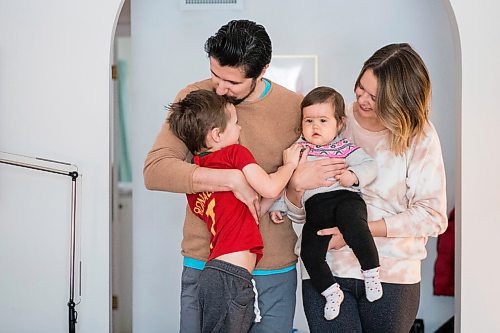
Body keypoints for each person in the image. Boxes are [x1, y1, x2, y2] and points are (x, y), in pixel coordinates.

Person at [144, 19, 344, 332]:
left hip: (273, 258)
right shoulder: (195, 98)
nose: (220, 89)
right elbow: (156, 170)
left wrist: (287, 189)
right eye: (215, 75)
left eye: (232, 83)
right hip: (204, 257)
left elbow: (308, 174)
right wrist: (232, 180)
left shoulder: (294, 108)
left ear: (262, 70)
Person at [285, 43, 448, 332]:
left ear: (401, 100)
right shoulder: (329, 121)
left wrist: (356, 231)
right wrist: (294, 188)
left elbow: (432, 216)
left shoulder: (419, 135)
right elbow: (298, 212)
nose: (362, 99)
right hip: (326, 268)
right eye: (361, 87)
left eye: (375, 96)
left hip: (392, 274)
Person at [166, 89, 301, 332]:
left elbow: (250, 212)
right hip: (231, 278)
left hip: (214, 275)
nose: (240, 129)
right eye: (236, 123)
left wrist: (280, 193)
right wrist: (289, 166)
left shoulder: (198, 173)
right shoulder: (234, 153)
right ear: (217, 134)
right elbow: (269, 188)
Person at [269, 86, 381, 321]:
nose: (315, 127)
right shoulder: (297, 152)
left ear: (339, 124)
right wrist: (277, 206)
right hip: (316, 210)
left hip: (345, 199)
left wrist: (353, 175)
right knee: (308, 253)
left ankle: (371, 271)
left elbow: (370, 166)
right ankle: (331, 292)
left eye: (322, 120)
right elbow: (285, 178)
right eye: (308, 121)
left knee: (355, 226)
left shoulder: (344, 147)